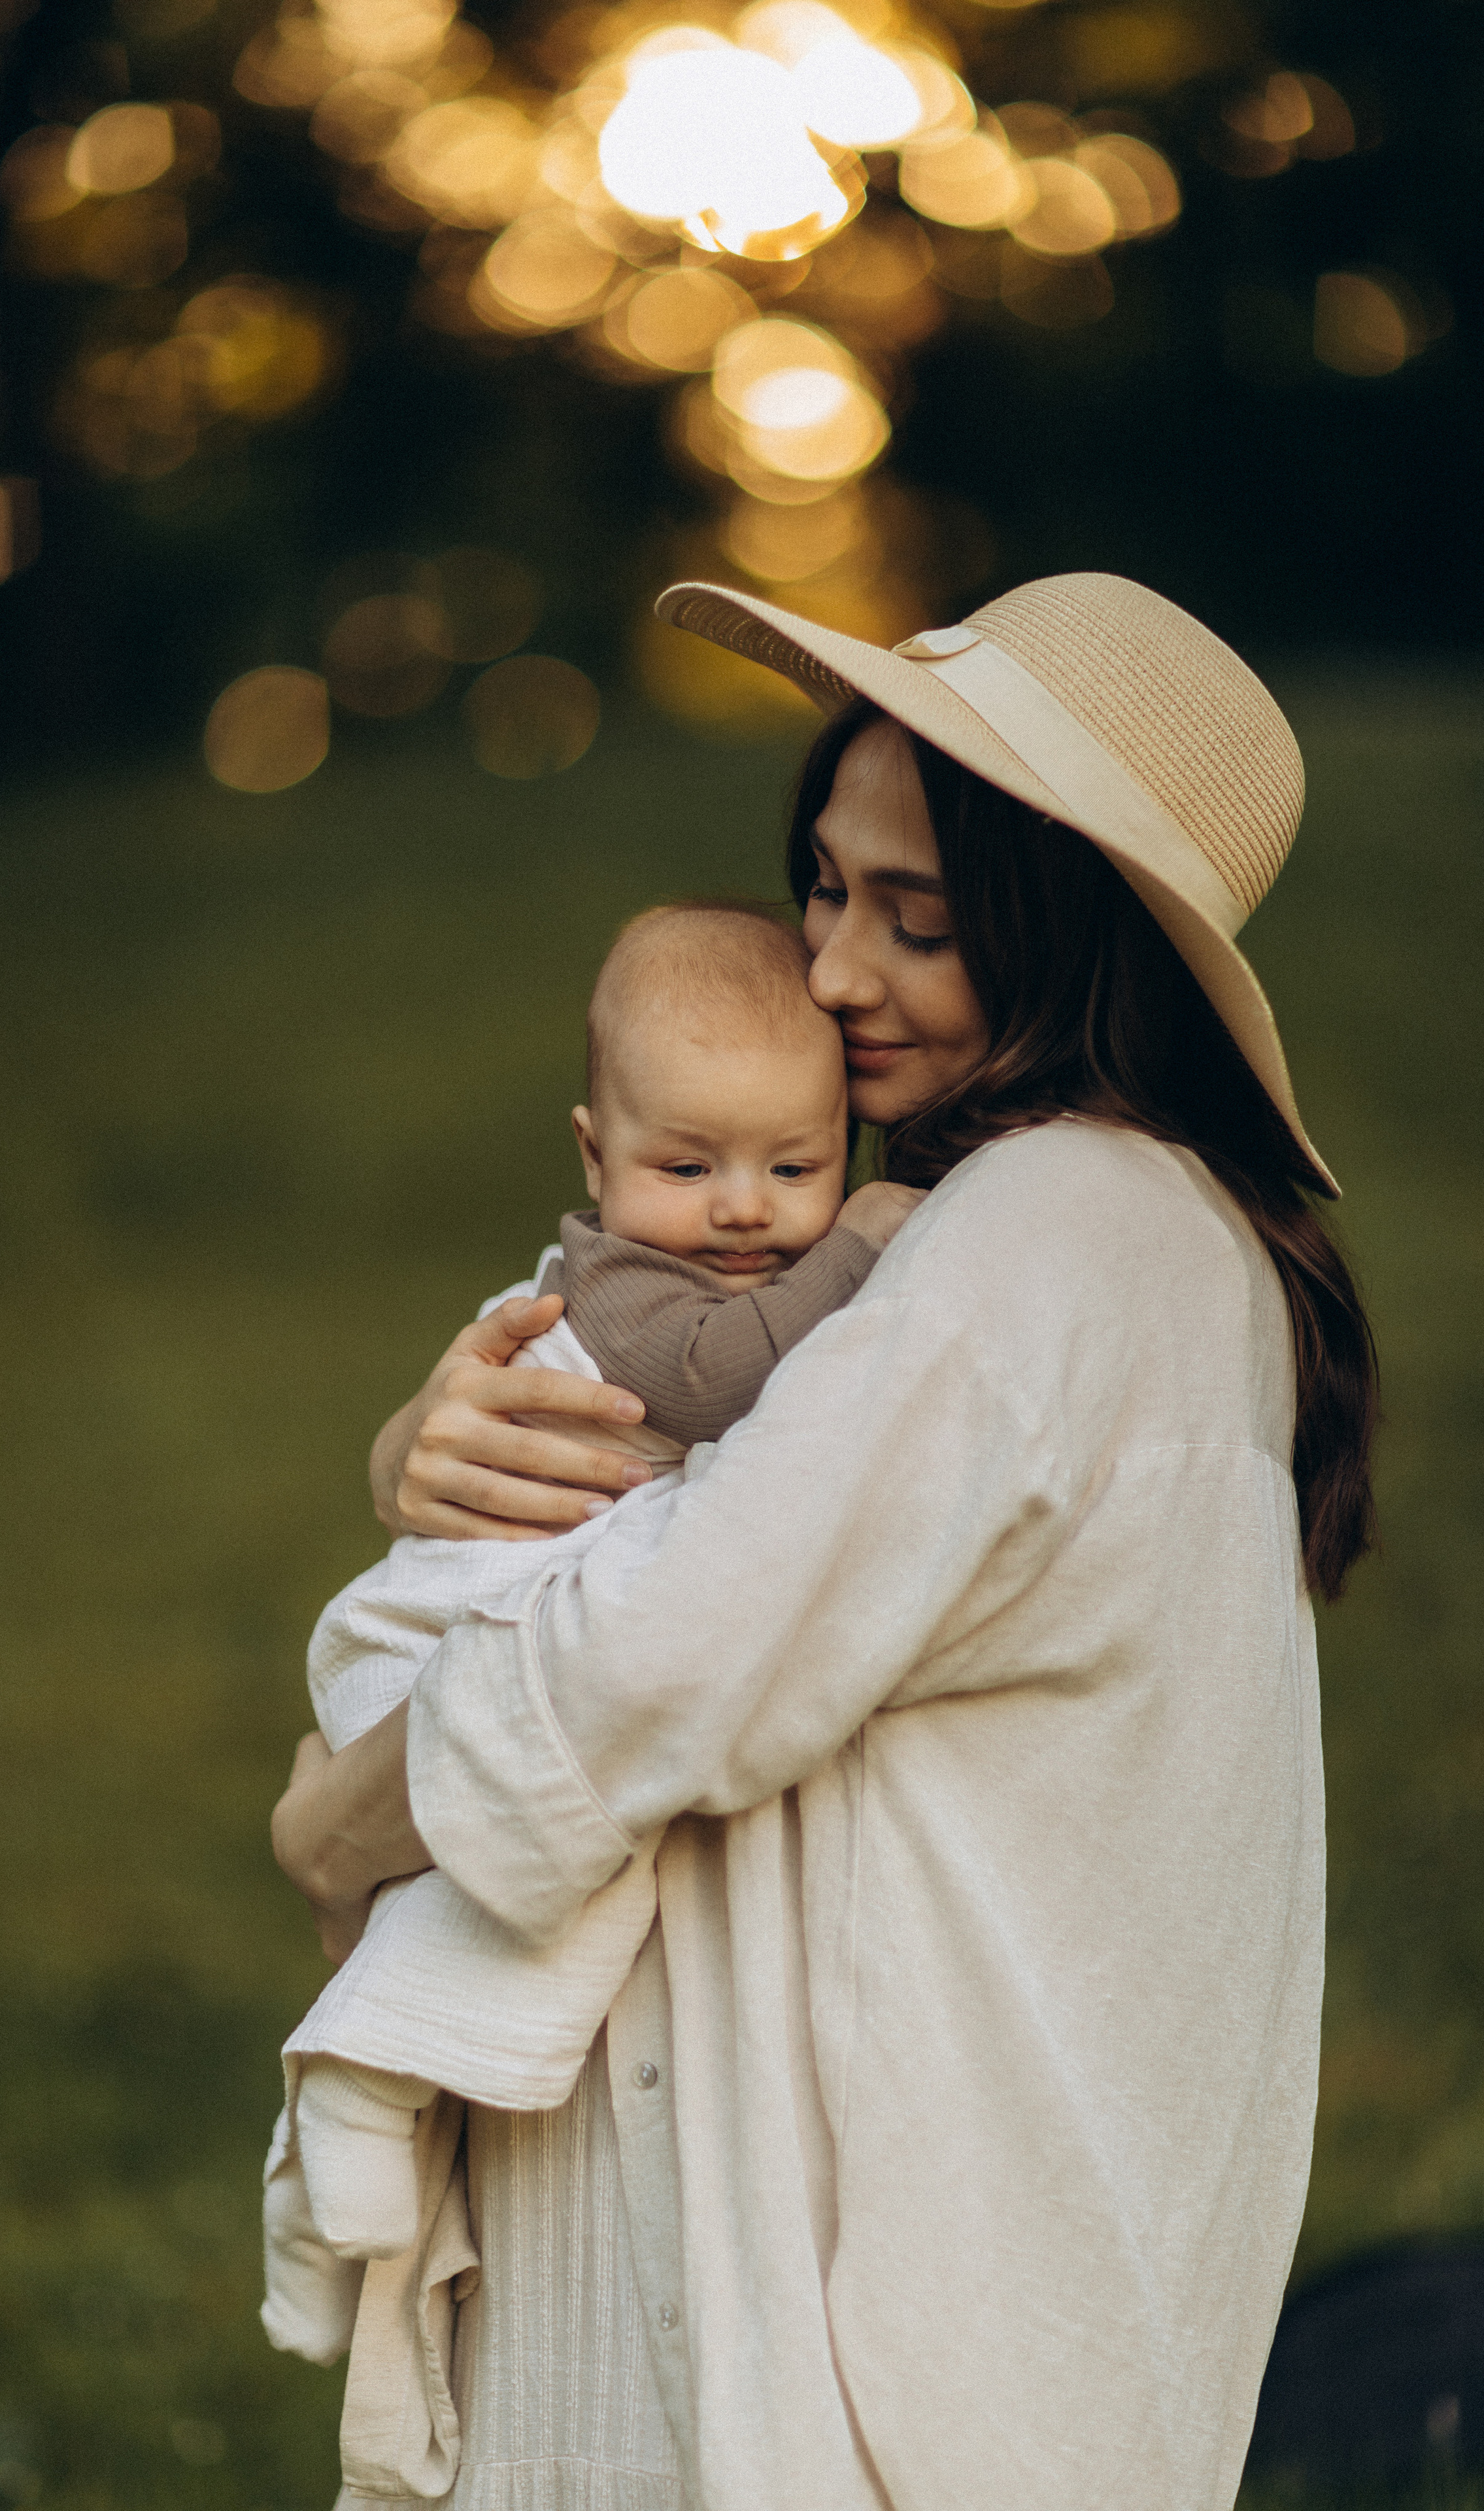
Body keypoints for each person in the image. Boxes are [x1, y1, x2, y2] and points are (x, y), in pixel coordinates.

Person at [273, 572, 1379, 2511]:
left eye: (917, 922)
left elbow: (658, 1657)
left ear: (1074, 939)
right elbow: (729, 1494)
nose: (836, 973)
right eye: (826, 889)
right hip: (965, 2247)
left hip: (857, 2288)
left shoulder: (1053, 1230)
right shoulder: (1145, 1248)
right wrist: (432, 1448)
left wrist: (336, 1822)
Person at [262, 904, 920, 2405]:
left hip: (513, 1639)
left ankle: (337, 2149)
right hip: (428, 1645)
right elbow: (717, 1381)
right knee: (542, 1863)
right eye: (686, 1169)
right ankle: (351, 2091)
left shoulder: (722, 1252)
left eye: (797, 1168)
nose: (743, 1211)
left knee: (550, 1885)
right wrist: (864, 1241)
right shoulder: (619, 1289)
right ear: (592, 1155)